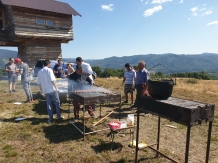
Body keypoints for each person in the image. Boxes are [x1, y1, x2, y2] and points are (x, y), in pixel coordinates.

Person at [37, 60, 64, 124]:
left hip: (45, 90)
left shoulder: (39, 71)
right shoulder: (49, 70)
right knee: (57, 102)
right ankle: (58, 115)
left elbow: (39, 83)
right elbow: (52, 80)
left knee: (49, 104)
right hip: (52, 89)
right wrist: (56, 87)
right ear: (48, 64)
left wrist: (41, 91)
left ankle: (51, 117)